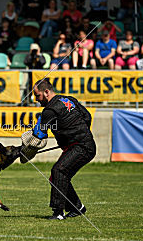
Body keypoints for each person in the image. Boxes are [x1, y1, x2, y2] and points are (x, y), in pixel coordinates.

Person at [26, 80, 96, 220]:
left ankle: (58, 212)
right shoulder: (69, 99)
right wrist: (77, 133)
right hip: (85, 144)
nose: (36, 99)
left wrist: (27, 148)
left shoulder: (49, 111)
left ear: (46, 92)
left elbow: (39, 134)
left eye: (37, 95)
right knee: (57, 178)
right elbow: (87, 117)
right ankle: (77, 207)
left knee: (59, 171)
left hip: (81, 147)